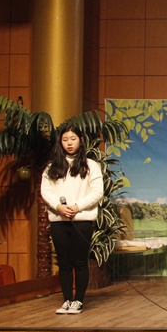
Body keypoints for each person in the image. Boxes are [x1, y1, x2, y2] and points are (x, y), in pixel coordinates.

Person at [41, 124, 104, 315]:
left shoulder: (91, 165)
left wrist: (78, 206)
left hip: (82, 220)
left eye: (73, 139)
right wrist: (58, 207)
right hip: (59, 221)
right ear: (60, 142)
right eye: (65, 139)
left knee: (80, 262)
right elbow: (45, 190)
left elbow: (97, 192)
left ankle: (79, 300)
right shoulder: (52, 167)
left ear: (81, 141)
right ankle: (67, 299)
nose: (69, 143)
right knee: (64, 262)